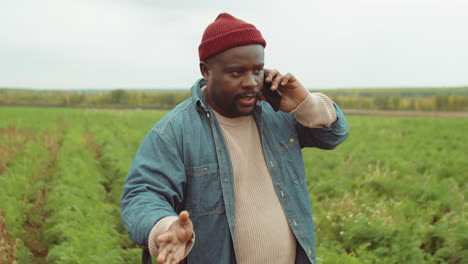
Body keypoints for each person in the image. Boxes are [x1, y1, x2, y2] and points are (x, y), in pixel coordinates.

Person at [121, 13, 349, 264]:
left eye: (257, 70)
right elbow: (142, 194)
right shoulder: (175, 132)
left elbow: (333, 136)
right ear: (206, 71)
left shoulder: (279, 114)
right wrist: (166, 227)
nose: (251, 83)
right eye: (237, 72)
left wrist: (305, 104)